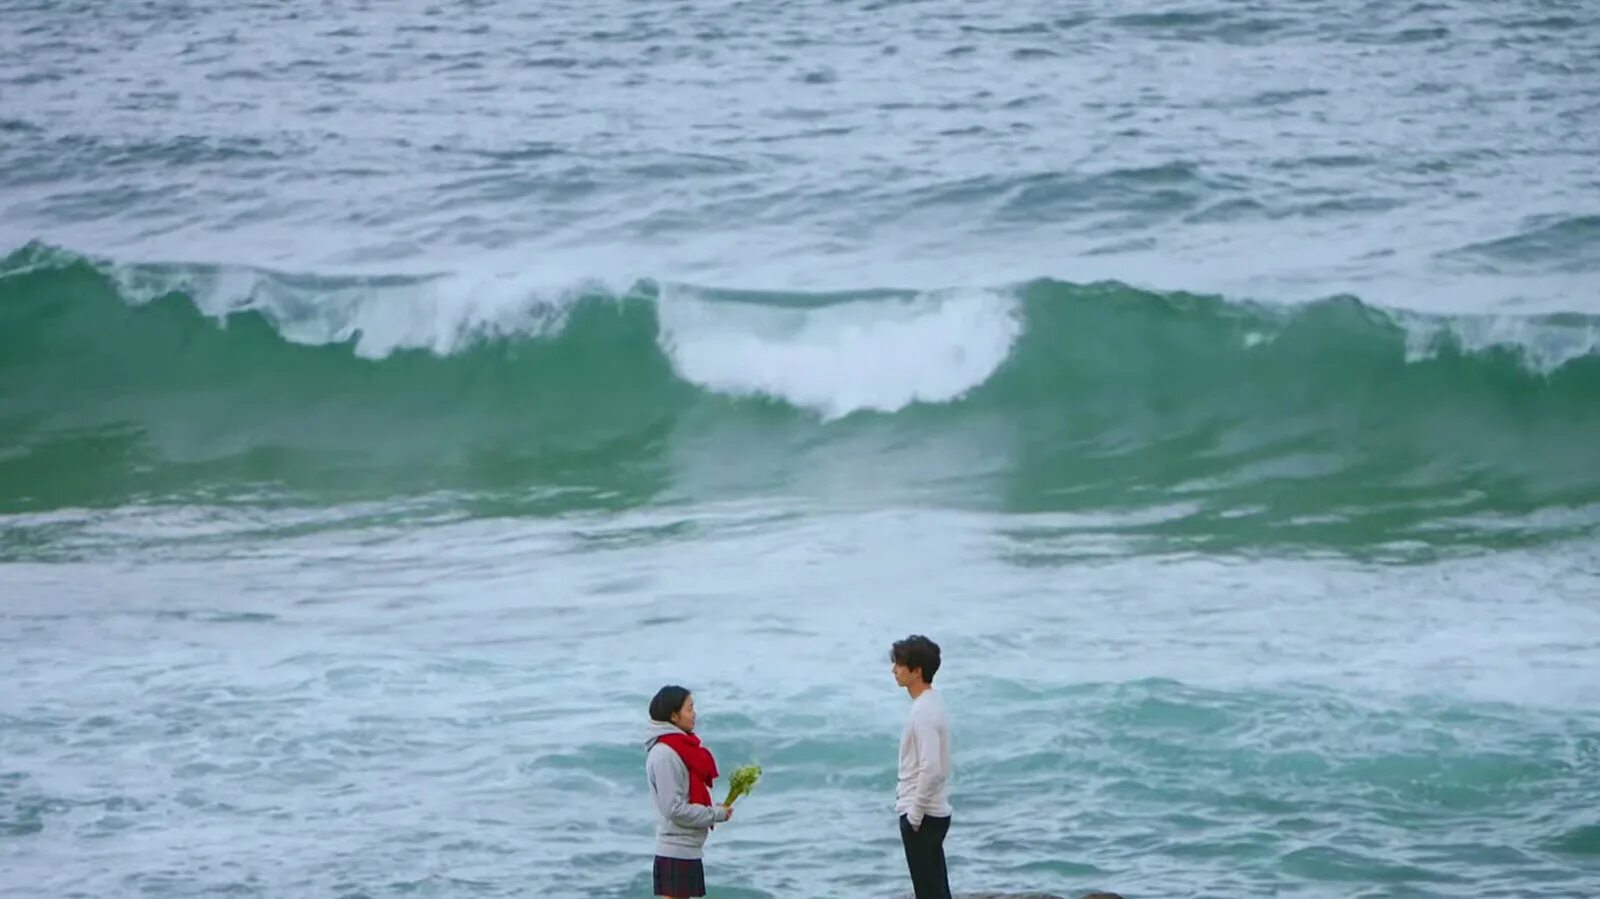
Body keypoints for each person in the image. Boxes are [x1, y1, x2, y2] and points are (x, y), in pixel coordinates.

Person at [645, 685, 731, 899]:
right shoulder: (665, 754)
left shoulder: (677, 748)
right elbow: (674, 809)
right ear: (674, 716)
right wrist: (715, 814)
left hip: (686, 848)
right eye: (689, 708)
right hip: (675, 849)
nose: (694, 714)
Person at [891, 634, 953, 899]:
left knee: (928, 893)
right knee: (937, 891)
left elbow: (932, 767)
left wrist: (914, 815)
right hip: (931, 814)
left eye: (900, 664)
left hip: (924, 816)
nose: (894, 670)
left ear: (917, 671)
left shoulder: (923, 711)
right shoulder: (931, 703)